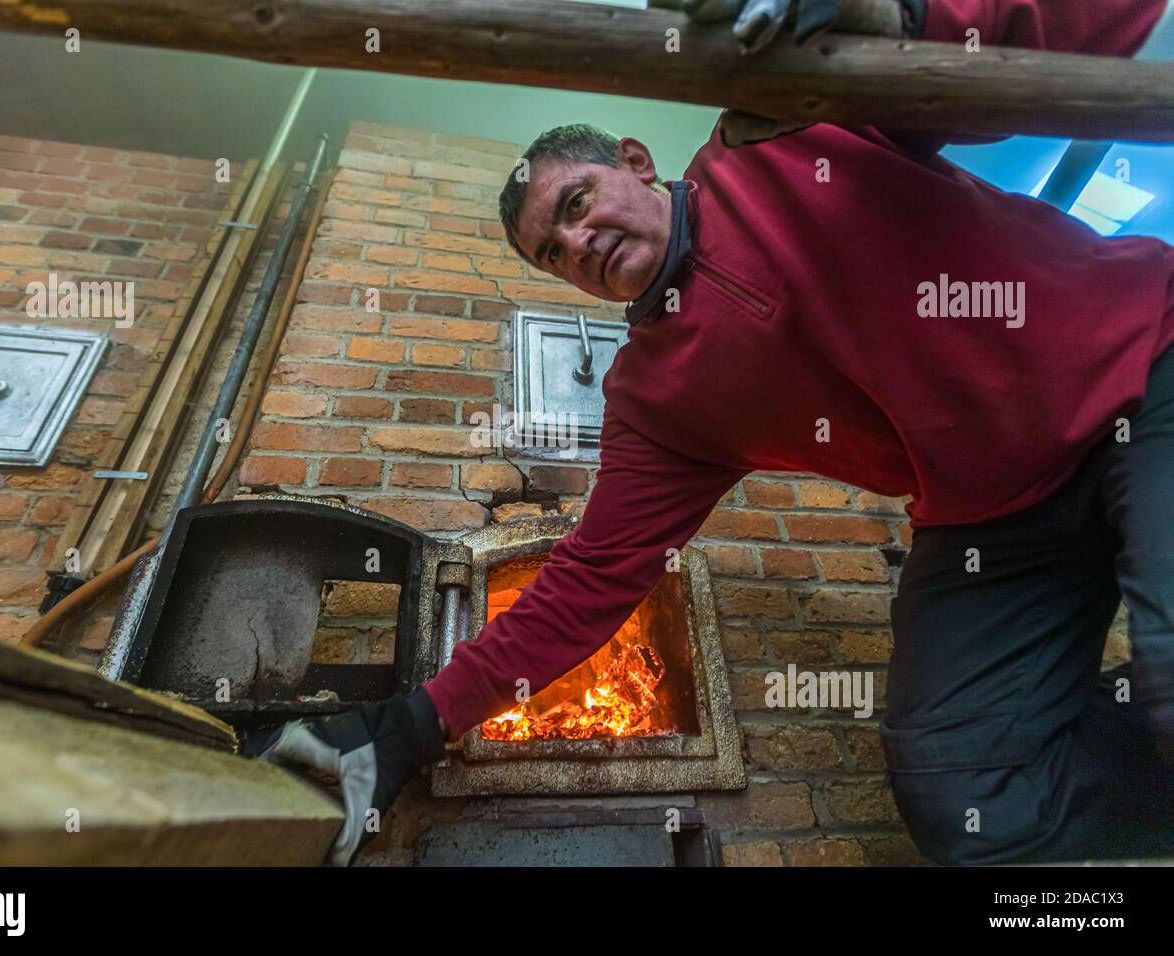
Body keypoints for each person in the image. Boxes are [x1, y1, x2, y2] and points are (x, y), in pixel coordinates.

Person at [243, 0, 1174, 867]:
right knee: (965, 792)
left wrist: (890, 16)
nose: (578, 247)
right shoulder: (656, 402)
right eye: (553, 255)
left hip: (1144, 369)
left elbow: (1034, 47)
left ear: (640, 162)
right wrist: (408, 730)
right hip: (992, 516)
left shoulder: (784, 125)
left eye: (576, 205)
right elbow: (590, 580)